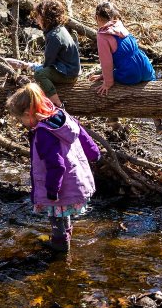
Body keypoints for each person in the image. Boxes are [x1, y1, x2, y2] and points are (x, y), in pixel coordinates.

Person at [6, 83, 100, 253]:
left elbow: (56, 165)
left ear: (28, 114)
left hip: (60, 185)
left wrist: (51, 191)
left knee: (55, 216)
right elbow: (82, 134)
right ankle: (66, 238)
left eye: (22, 120)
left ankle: (60, 246)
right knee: (63, 213)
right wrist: (94, 153)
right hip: (75, 179)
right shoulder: (62, 116)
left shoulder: (43, 132)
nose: (23, 124)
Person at [88, 1, 156, 96]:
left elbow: (106, 62)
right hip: (146, 67)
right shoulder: (119, 25)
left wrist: (107, 83)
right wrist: (104, 75)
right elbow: (123, 54)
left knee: (119, 73)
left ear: (96, 17)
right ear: (114, 15)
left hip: (130, 74)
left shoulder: (102, 35)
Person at [31, 0, 80, 107]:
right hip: (69, 69)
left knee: (39, 74)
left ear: (46, 18)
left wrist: (38, 70)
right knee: (40, 71)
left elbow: (48, 62)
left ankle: (57, 103)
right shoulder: (58, 29)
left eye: (38, 16)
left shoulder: (54, 36)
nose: (36, 20)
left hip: (68, 74)